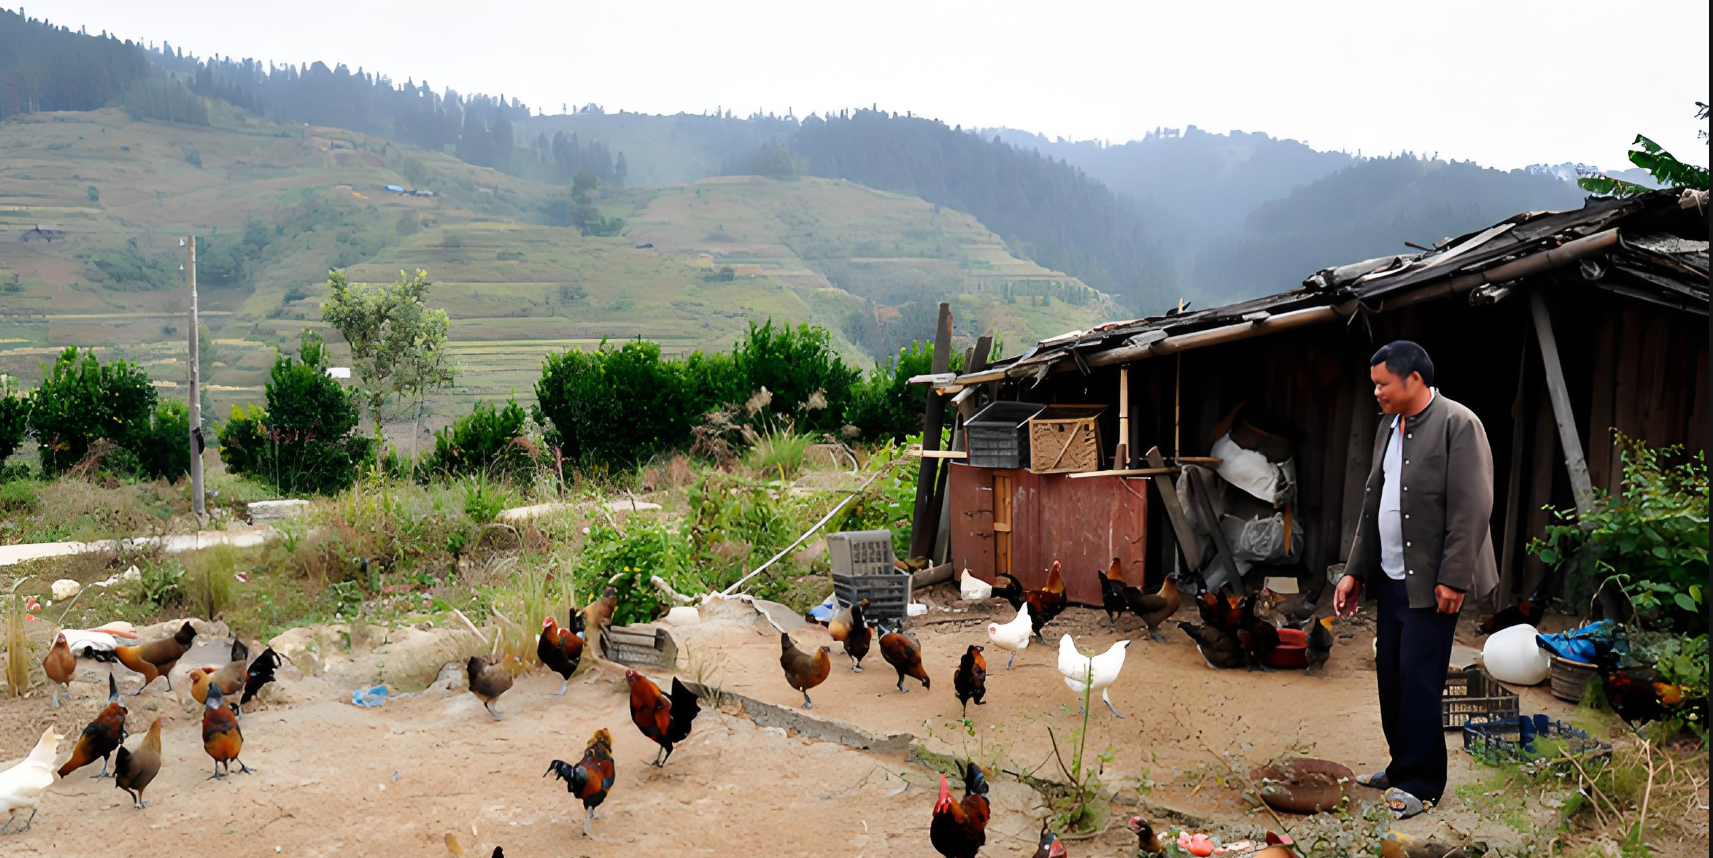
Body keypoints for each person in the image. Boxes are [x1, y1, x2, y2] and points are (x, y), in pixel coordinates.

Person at [1334, 340, 1498, 819]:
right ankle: (1401, 766)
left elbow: (1472, 507)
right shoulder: (1389, 427)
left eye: (1383, 384)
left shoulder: (1458, 424)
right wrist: (1354, 571)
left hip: (1433, 583)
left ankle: (1423, 784)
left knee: (1420, 680)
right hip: (1392, 576)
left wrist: (1454, 578)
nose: (1377, 392)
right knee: (1392, 676)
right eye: (1374, 385)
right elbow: (1373, 502)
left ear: (1415, 380)